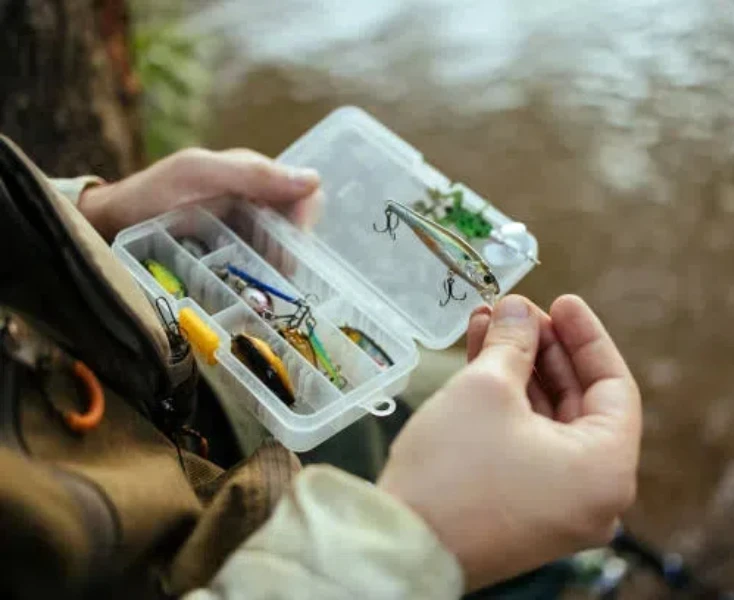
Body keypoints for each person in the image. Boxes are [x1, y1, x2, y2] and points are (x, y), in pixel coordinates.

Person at [49, 147, 643, 598]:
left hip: (155, 367)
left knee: (446, 392)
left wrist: (82, 216)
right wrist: (413, 536)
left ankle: (564, 565)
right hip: (196, 524)